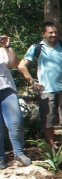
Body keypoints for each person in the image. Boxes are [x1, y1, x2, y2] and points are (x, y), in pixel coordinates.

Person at [18, 22, 62, 152]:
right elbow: (21, 65)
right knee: (47, 119)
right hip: (45, 90)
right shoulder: (36, 48)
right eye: (50, 32)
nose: (54, 35)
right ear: (44, 34)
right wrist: (32, 82)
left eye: (56, 32)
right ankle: (52, 146)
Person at [0, 34, 32, 168]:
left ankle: (18, 153)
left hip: (6, 89)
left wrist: (8, 46)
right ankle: (0, 158)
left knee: (16, 122)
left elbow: (14, 63)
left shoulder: (2, 50)